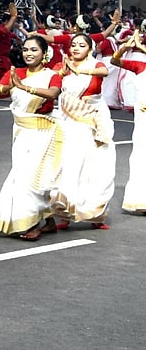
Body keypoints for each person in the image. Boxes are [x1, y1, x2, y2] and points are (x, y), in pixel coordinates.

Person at [0, 35, 63, 240]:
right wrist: (8, 86)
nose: (28, 54)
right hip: (21, 133)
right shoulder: (16, 73)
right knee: (26, 176)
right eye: (25, 50)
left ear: (44, 53)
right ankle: (48, 221)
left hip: (43, 133)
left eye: (34, 50)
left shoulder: (51, 75)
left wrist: (23, 87)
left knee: (32, 179)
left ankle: (32, 222)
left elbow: (53, 93)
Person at [51, 32, 116, 228]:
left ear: (90, 49)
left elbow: (104, 72)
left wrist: (77, 70)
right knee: (69, 165)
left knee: (97, 167)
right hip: (69, 121)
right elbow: (53, 84)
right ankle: (66, 213)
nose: (76, 48)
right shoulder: (61, 66)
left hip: (94, 119)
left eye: (81, 45)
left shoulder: (96, 65)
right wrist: (64, 71)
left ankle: (95, 214)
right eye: (73, 45)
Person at [112, 31, 146, 213]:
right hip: (143, 121)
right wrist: (125, 47)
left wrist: (141, 47)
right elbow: (115, 62)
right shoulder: (140, 66)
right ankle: (141, 200)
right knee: (141, 156)